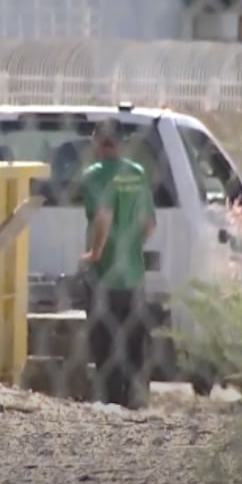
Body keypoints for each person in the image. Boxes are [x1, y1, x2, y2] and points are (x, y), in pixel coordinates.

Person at [78, 119, 157, 409]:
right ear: (121, 143)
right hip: (133, 275)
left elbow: (103, 215)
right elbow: (149, 225)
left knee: (106, 345)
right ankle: (135, 402)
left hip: (105, 276)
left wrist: (95, 253)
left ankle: (112, 405)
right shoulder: (136, 173)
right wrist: (132, 244)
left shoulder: (94, 175)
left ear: (97, 142)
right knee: (134, 345)